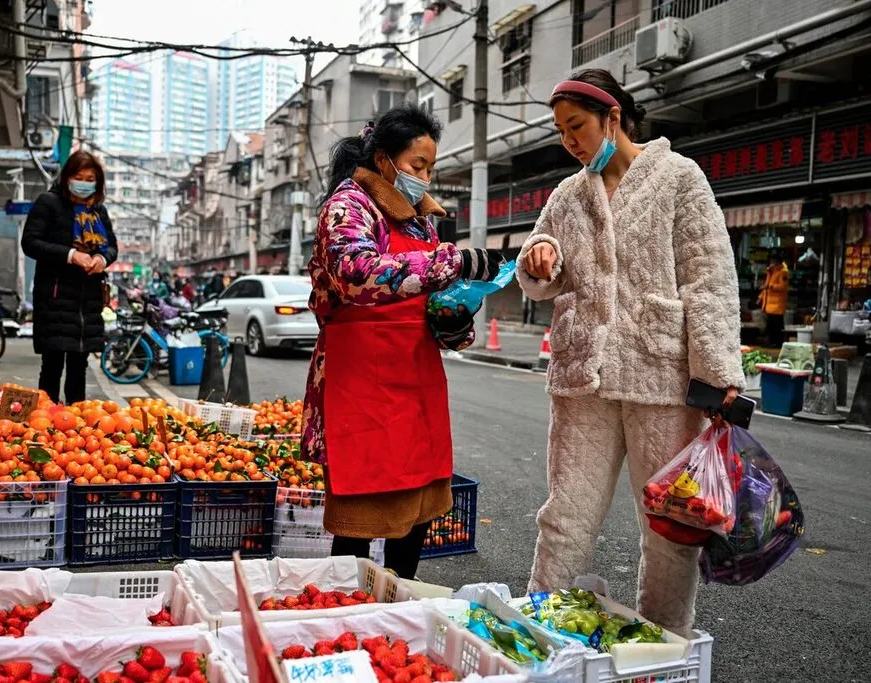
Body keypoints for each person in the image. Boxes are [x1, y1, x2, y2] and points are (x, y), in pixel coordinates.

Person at [517, 69, 745, 635]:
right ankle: (534, 633)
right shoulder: (567, 194)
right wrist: (539, 257)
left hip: (662, 377)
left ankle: (667, 643)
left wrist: (718, 373)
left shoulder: (678, 178)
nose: (570, 141)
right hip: (583, 377)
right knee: (565, 515)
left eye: (577, 127)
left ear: (612, 118)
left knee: (670, 528)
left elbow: (709, 277)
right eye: (561, 132)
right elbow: (540, 268)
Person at [302, 104, 505, 580]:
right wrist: (450, 263)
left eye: (431, 168)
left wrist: (453, 318)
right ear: (383, 159)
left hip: (415, 378)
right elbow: (355, 273)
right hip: (361, 382)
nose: (425, 177)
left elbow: (431, 298)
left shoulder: (420, 220)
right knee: (360, 513)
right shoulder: (347, 205)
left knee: (416, 508)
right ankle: (344, 612)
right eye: (418, 165)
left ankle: (401, 602)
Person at [21, 150, 118, 404]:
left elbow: (111, 247)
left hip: (87, 300)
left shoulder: (98, 210)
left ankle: (75, 426)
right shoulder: (48, 203)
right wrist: (71, 255)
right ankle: (46, 423)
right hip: (55, 297)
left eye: (90, 178)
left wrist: (101, 259)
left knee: (79, 365)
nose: (84, 183)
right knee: (52, 364)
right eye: (78, 176)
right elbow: (30, 242)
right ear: (66, 177)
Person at [759, 250, 789, 347]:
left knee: (777, 325)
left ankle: (778, 343)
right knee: (771, 325)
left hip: (777, 304)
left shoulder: (783, 272)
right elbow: (766, 285)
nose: (771, 262)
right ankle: (771, 342)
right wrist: (761, 296)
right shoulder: (771, 271)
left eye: (773, 260)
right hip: (770, 303)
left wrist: (770, 286)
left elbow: (782, 286)